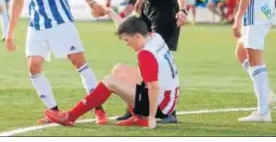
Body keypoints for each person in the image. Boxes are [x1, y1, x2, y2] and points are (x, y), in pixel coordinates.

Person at [4, 0, 108, 125]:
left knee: (78, 62)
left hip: (61, 21)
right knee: (33, 66)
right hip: (37, 24)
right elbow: (17, 2)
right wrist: (10, 34)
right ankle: (54, 112)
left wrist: (91, 3)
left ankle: (98, 109)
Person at [44, 12, 179, 128]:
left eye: (127, 40)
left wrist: (151, 117)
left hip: (162, 105)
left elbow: (154, 86)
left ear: (137, 36)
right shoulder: (154, 37)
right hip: (169, 97)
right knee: (118, 70)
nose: (127, 44)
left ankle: (70, 116)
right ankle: (138, 116)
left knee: (109, 81)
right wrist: (110, 12)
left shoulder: (145, 53)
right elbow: (128, 28)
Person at [116, 0, 187, 123]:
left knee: (158, 59)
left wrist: (183, 11)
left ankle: (169, 111)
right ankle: (136, 106)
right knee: (141, 54)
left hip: (165, 12)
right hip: (148, 7)